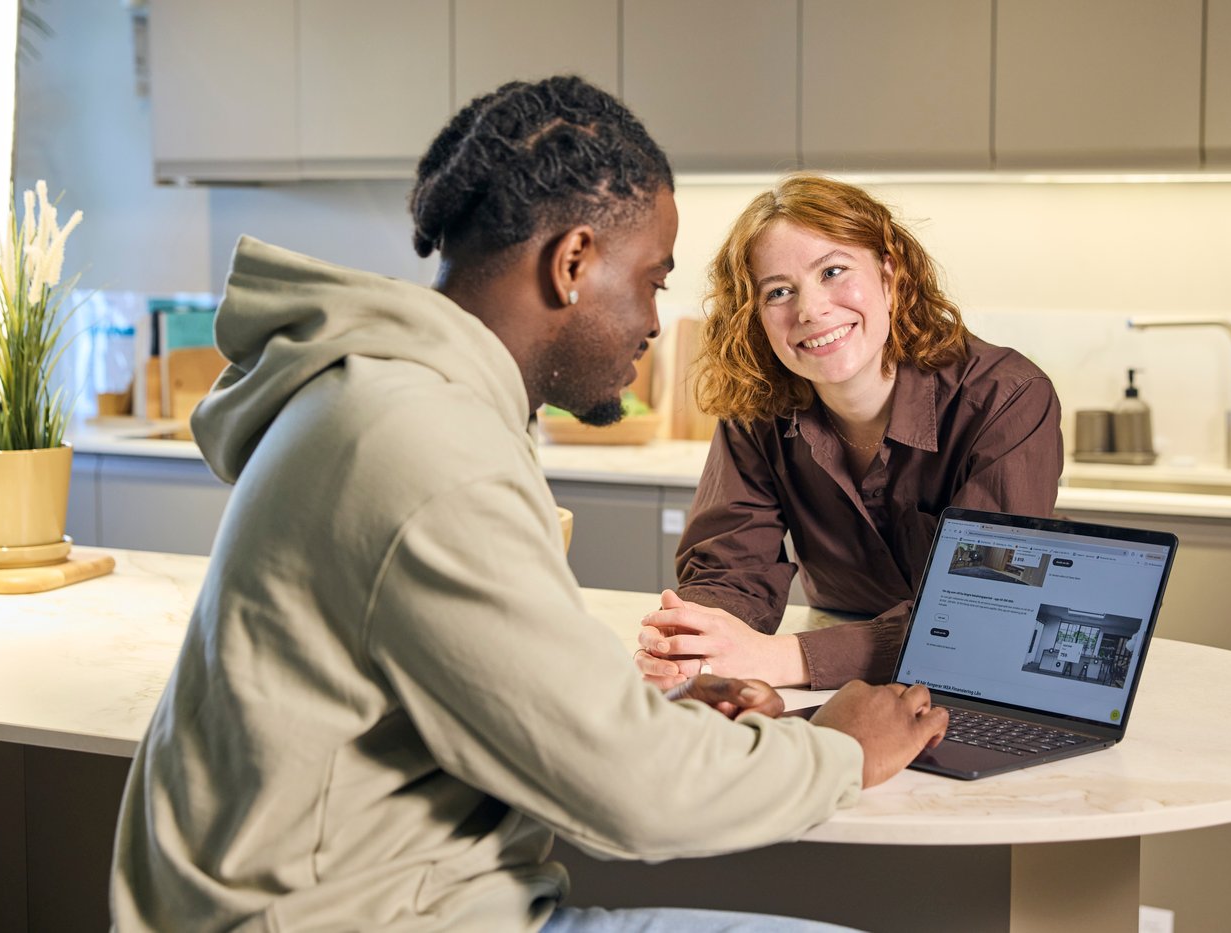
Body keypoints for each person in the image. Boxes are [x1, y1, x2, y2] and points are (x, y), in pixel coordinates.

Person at [108, 78, 949, 933]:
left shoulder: (382, 397)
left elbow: (480, 691)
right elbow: (634, 795)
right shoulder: (425, 446)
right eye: (652, 281)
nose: (656, 322)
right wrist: (839, 748)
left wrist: (643, 719)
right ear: (573, 261)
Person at [636, 174, 1062, 692]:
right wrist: (696, 643)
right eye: (779, 291)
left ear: (890, 273)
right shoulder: (756, 412)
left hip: (982, 681)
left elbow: (982, 611)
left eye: (833, 271)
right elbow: (731, 569)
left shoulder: (1007, 398)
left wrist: (783, 659)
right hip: (835, 675)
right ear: (755, 318)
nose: (810, 310)